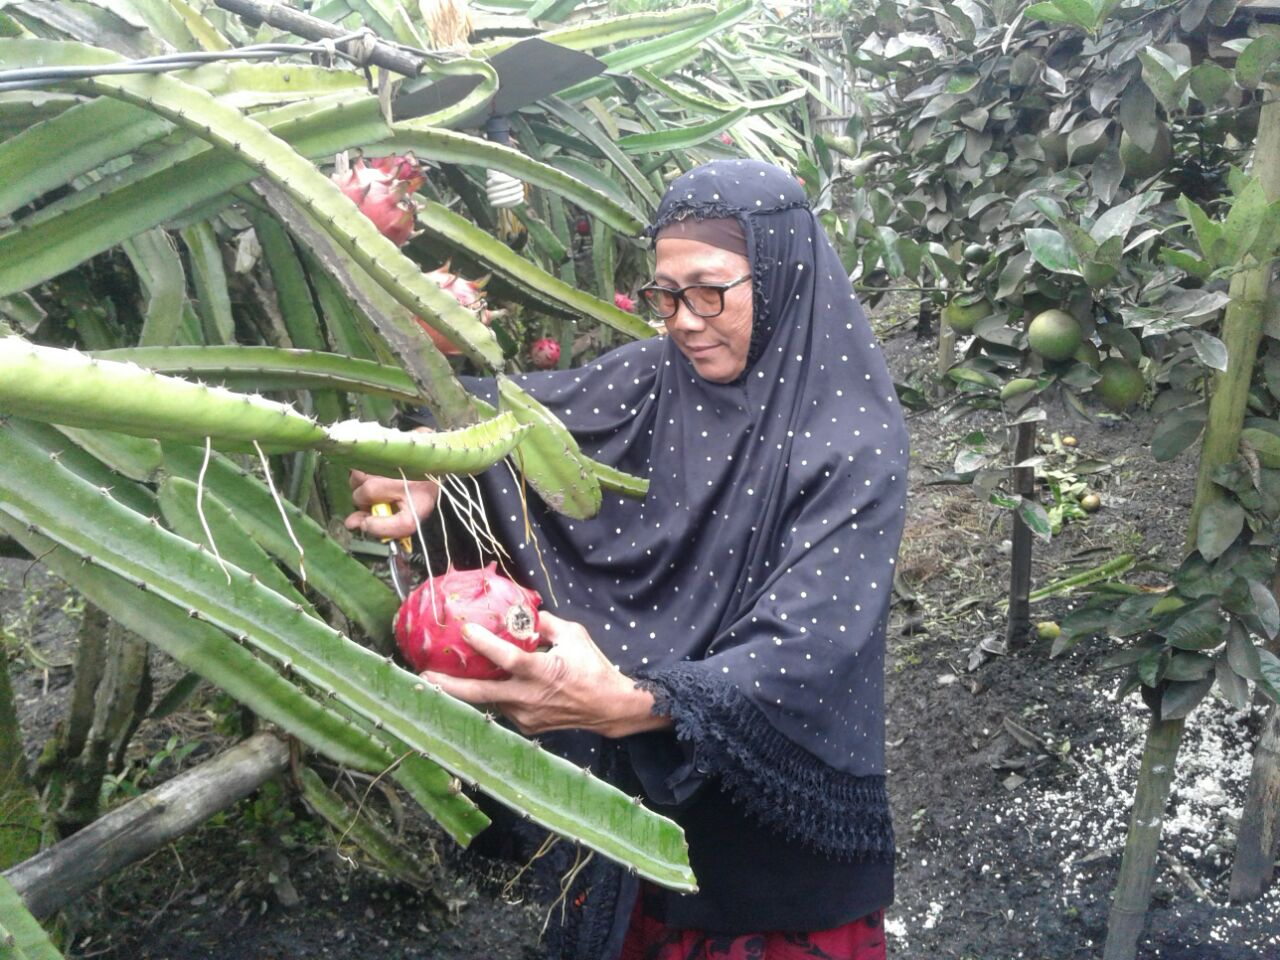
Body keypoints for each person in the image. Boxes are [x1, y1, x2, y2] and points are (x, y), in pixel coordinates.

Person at [346, 159, 909, 960]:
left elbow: (811, 645)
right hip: (636, 818)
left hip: (769, 836)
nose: (683, 320)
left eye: (710, 290)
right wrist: (440, 479)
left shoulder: (852, 441)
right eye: (665, 294)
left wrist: (633, 701)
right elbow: (524, 437)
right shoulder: (653, 379)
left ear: (782, 274)